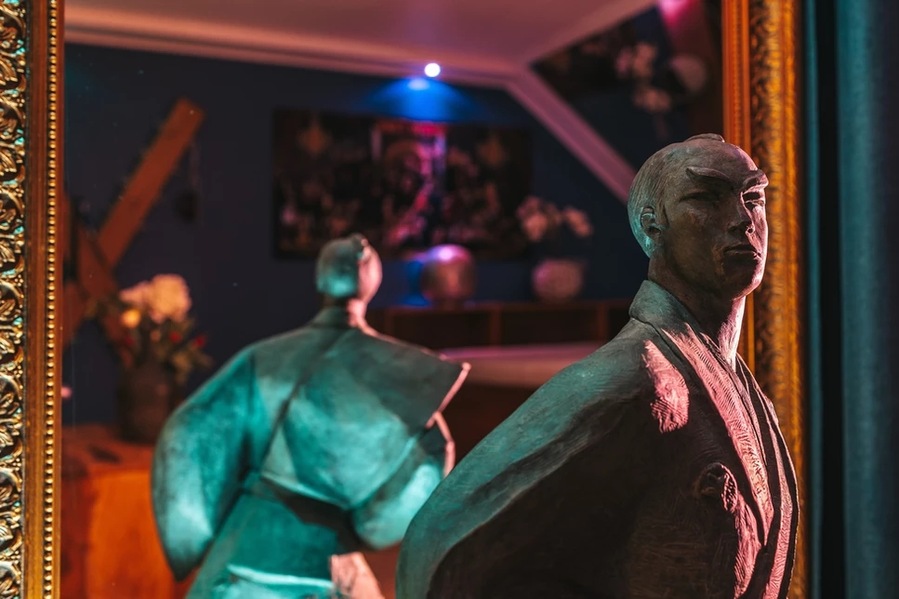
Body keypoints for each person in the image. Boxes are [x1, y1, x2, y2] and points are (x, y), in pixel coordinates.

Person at [395, 134, 798, 598]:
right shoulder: (638, 382)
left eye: (753, 198)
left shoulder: (742, 387)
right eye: (707, 198)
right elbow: (440, 553)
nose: (743, 219)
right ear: (651, 226)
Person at [152, 234, 469, 599]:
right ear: (372, 283)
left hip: (246, 546)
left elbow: (187, 435)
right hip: (331, 558)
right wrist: (365, 530)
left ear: (320, 280)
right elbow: (423, 472)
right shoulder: (406, 376)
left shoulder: (262, 359)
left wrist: (194, 544)